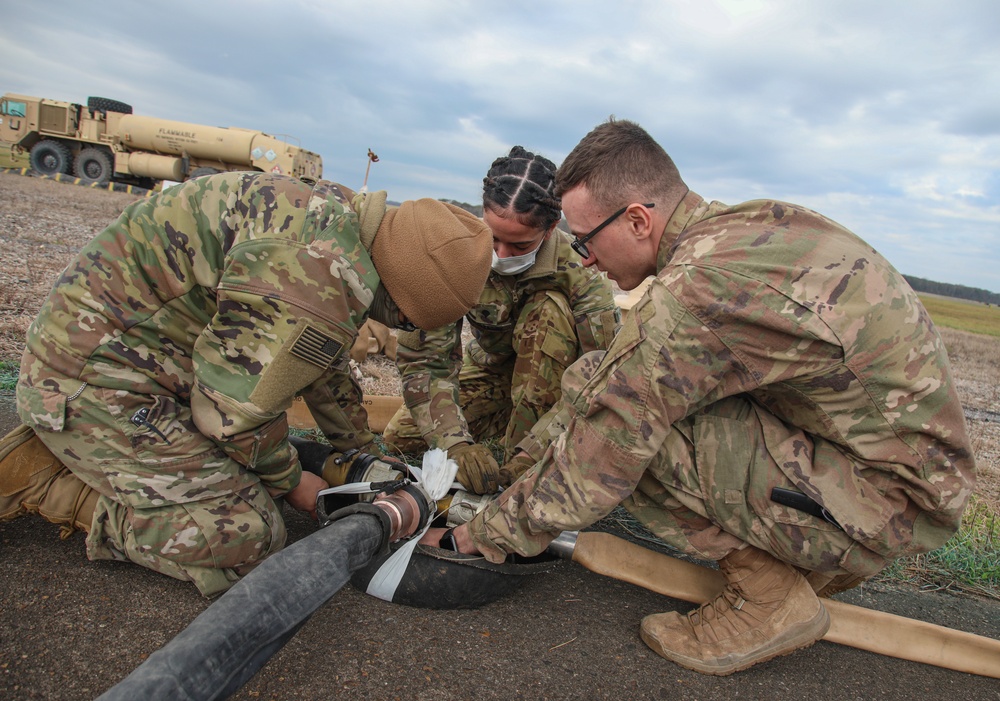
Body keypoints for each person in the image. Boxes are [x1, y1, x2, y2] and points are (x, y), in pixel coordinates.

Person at [442, 119, 976, 675]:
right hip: (889, 475)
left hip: (887, 504)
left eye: (585, 240)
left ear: (638, 219)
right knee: (611, 379)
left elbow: (601, 453)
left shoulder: (695, 292)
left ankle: (769, 599)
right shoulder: (742, 228)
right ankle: (805, 562)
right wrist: (527, 465)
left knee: (627, 431)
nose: (584, 260)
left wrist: (479, 536)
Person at [0, 171, 493, 597]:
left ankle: (96, 453)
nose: (401, 329)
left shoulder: (343, 226)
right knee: (245, 537)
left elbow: (317, 364)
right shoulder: (317, 274)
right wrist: (291, 481)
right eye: (406, 320)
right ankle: (51, 482)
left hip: (143, 361)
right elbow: (231, 418)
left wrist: (361, 450)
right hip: (93, 380)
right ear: (401, 292)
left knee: (250, 472)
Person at [381, 146, 619, 494]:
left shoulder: (580, 274)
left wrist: (529, 455)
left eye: (520, 246)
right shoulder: (457, 254)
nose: (501, 255)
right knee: (403, 437)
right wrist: (456, 445)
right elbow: (428, 363)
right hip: (494, 373)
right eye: (493, 238)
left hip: (555, 389)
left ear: (551, 229)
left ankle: (522, 453)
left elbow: (601, 379)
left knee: (547, 308)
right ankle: (504, 418)